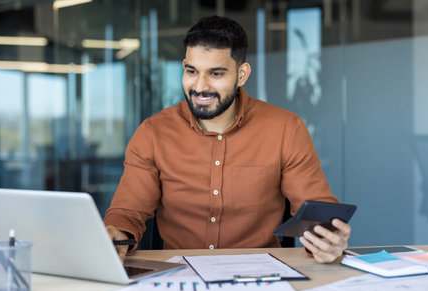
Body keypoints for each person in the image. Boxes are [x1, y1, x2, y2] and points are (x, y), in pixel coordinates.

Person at [104, 15, 351, 264]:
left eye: (216, 73)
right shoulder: (153, 133)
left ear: (241, 74)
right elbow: (127, 212)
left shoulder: (286, 129)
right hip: (180, 275)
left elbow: (317, 214)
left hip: (261, 275)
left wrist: (329, 240)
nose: (200, 86)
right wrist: (117, 233)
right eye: (191, 71)